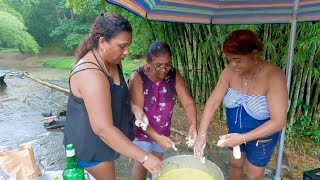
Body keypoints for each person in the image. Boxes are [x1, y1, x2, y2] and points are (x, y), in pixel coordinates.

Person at [63, 13, 163, 180]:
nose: (126, 52)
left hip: (105, 143)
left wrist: (135, 109)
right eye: (122, 46)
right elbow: (103, 129)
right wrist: (144, 157)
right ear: (102, 42)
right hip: (91, 149)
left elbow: (117, 95)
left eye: (128, 46)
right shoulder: (91, 75)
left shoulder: (113, 60)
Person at [193, 29, 288, 180]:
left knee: (253, 174)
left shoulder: (273, 75)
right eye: (229, 60)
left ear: (254, 54)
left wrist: (243, 138)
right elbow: (213, 102)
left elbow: (278, 121)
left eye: (237, 60)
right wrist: (201, 135)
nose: (233, 64)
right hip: (234, 132)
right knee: (235, 165)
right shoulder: (229, 72)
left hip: (261, 138)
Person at [129, 41, 198, 180]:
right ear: (148, 62)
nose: (164, 68)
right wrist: (156, 137)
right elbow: (138, 117)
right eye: (158, 64)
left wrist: (193, 124)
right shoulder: (138, 78)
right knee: (142, 164)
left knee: (158, 163)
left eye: (167, 64)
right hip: (142, 131)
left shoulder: (173, 75)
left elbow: (188, 102)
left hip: (163, 130)